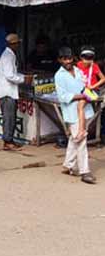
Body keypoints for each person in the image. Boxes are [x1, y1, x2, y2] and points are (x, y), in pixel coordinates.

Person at [55, 47, 96, 184]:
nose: (67, 61)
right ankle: (85, 171)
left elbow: (85, 86)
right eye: (64, 59)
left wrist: (88, 93)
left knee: (75, 138)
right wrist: (81, 96)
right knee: (81, 139)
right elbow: (62, 96)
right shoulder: (59, 75)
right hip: (72, 111)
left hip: (85, 108)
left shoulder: (78, 71)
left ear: (73, 58)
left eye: (69, 58)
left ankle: (68, 165)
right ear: (59, 60)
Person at [0, 33, 34, 151]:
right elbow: (10, 75)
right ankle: (8, 141)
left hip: (9, 92)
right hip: (7, 92)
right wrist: (23, 79)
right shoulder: (8, 56)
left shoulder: (9, 55)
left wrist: (23, 76)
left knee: (10, 117)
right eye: (17, 43)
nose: (18, 45)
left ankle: (9, 140)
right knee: (9, 117)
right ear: (14, 44)